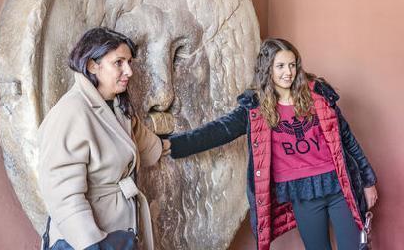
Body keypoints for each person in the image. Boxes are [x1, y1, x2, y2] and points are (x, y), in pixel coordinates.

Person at [165, 38, 378, 250]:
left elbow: (347, 139)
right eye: (281, 66)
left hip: (338, 185)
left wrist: (368, 182)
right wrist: (173, 146)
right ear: (268, 68)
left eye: (292, 65)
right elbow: (219, 131)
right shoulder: (255, 109)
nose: (288, 72)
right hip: (301, 192)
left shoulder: (318, 95)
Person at [38, 27, 164, 250]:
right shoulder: (71, 112)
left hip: (118, 235)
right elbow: (63, 196)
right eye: (119, 62)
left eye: (129, 63)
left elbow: (153, 146)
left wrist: (212, 134)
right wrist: (91, 244)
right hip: (86, 242)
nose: (129, 71)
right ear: (92, 65)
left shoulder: (118, 109)